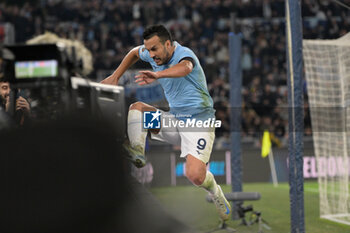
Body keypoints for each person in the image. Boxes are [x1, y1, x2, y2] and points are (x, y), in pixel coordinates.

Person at [101, 25, 231, 221]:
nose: (151, 55)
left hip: (199, 123)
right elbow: (134, 53)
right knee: (137, 108)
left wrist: (158, 74)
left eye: (155, 49)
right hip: (175, 121)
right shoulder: (151, 53)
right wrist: (115, 76)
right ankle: (137, 151)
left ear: (168, 44)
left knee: (195, 175)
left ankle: (215, 191)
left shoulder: (184, 54)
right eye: (149, 50)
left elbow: (185, 68)